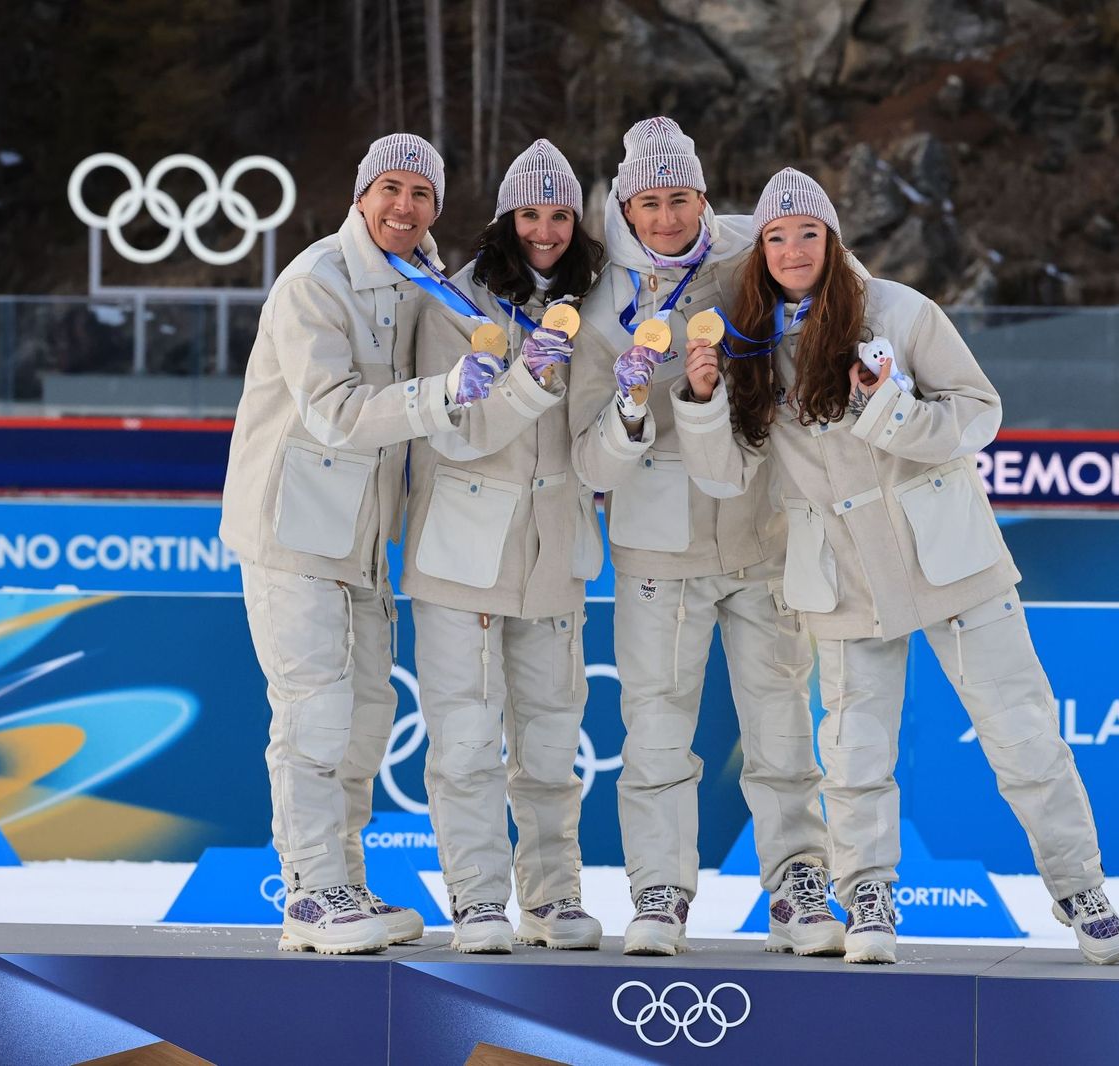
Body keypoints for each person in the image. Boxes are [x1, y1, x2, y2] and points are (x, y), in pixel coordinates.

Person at [674, 167, 1119, 966]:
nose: (790, 249)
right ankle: (869, 895)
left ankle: (1079, 884)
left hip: (949, 557)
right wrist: (705, 398)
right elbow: (724, 474)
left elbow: (977, 415)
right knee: (854, 753)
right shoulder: (746, 337)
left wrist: (890, 405)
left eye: (806, 233)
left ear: (832, 238)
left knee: (1022, 733)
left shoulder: (899, 311)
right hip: (842, 573)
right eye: (775, 236)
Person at [220, 133, 505, 955]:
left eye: (421, 194)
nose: (403, 207)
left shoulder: (424, 282)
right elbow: (336, 412)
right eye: (389, 187)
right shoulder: (314, 281)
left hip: (367, 543)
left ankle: (341, 879)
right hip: (294, 532)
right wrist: (444, 392)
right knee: (313, 714)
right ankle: (309, 891)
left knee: (365, 718)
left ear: (437, 209)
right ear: (359, 194)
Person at [568, 118, 839, 958]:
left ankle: (799, 884)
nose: (665, 218)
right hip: (658, 548)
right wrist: (628, 407)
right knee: (654, 731)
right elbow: (587, 457)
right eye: (647, 202)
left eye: (679, 198)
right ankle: (658, 889)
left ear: (702, 196)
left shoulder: (747, 250)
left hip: (761, 528)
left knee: (783, 726)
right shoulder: (594, 288)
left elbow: (838, 281)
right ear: (624, 202)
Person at [404, 139, 607, 953]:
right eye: (531, 213)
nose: (547, 230)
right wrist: (532, 378)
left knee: (554, 740)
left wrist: (625, 409)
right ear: (505, 218)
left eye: (561, 215)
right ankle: (479, 899)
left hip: (555, 550)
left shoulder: (598, 303)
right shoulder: (454, 302)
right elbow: (454, 433)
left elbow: (596, 442)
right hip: (461, 551)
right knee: (463, 738)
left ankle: (552, 898)